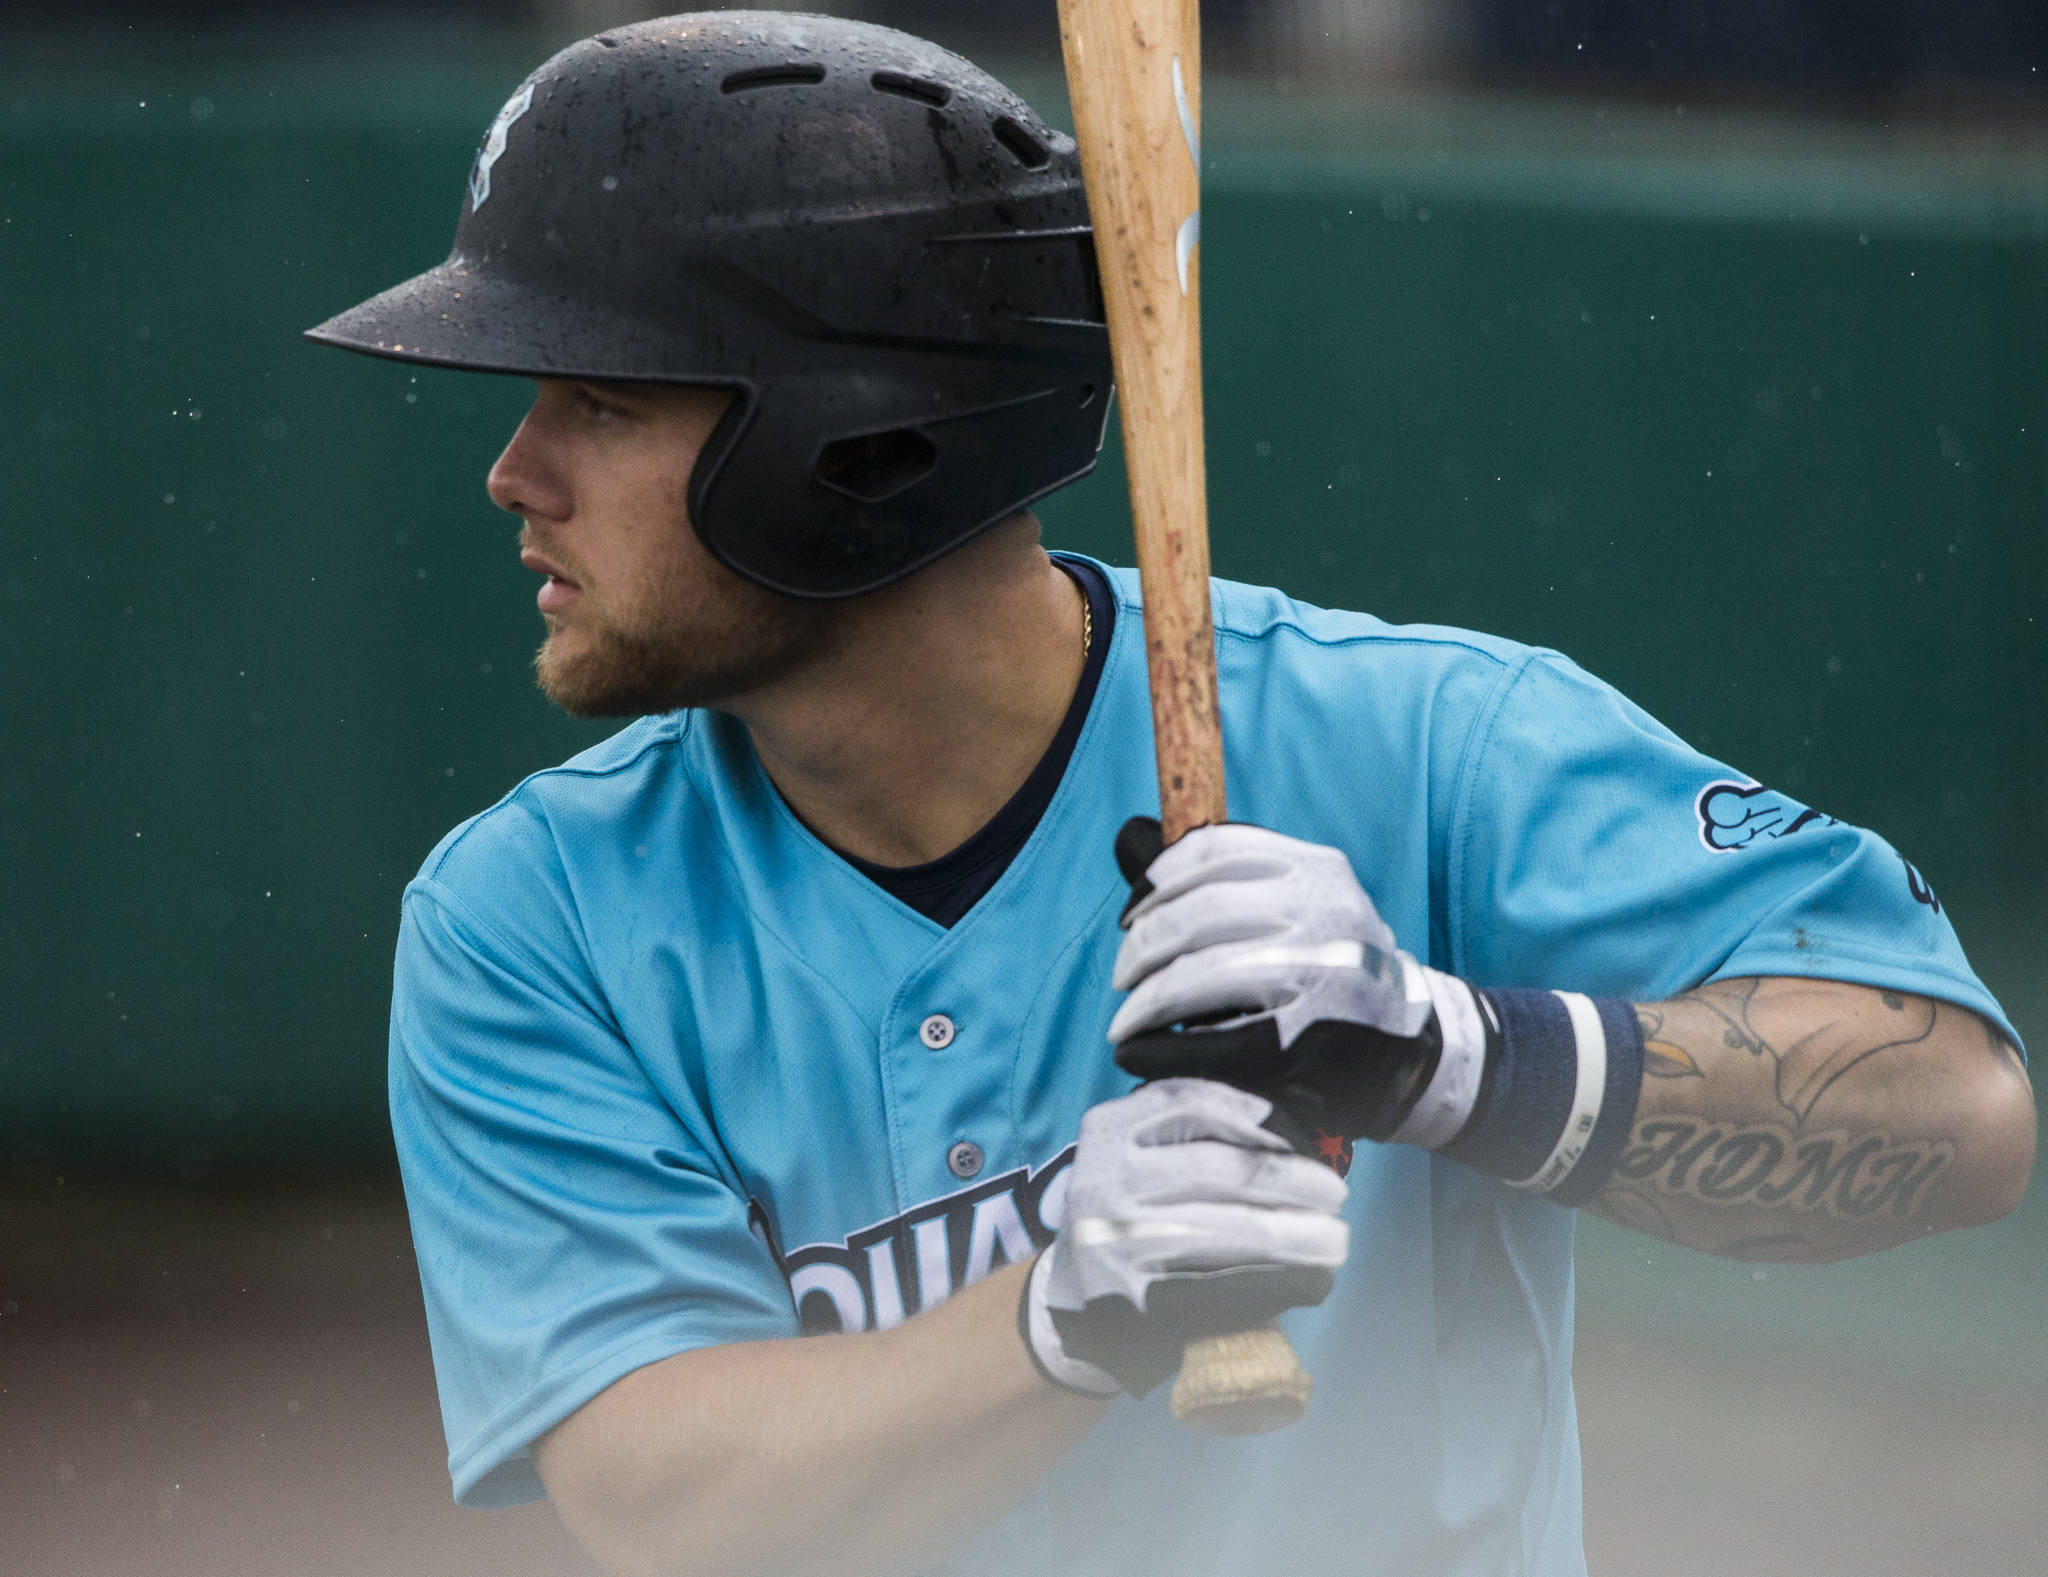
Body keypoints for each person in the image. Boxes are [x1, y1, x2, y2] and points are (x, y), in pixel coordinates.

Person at [309, 15, 2034, 1577]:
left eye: (599, 398)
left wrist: (1453, 1055)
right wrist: (1065, 1312)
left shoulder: (1422, 744)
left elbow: (1961, 1117)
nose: (513, 470)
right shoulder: (529, 925)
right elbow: (662, 1502)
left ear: (857, 444)